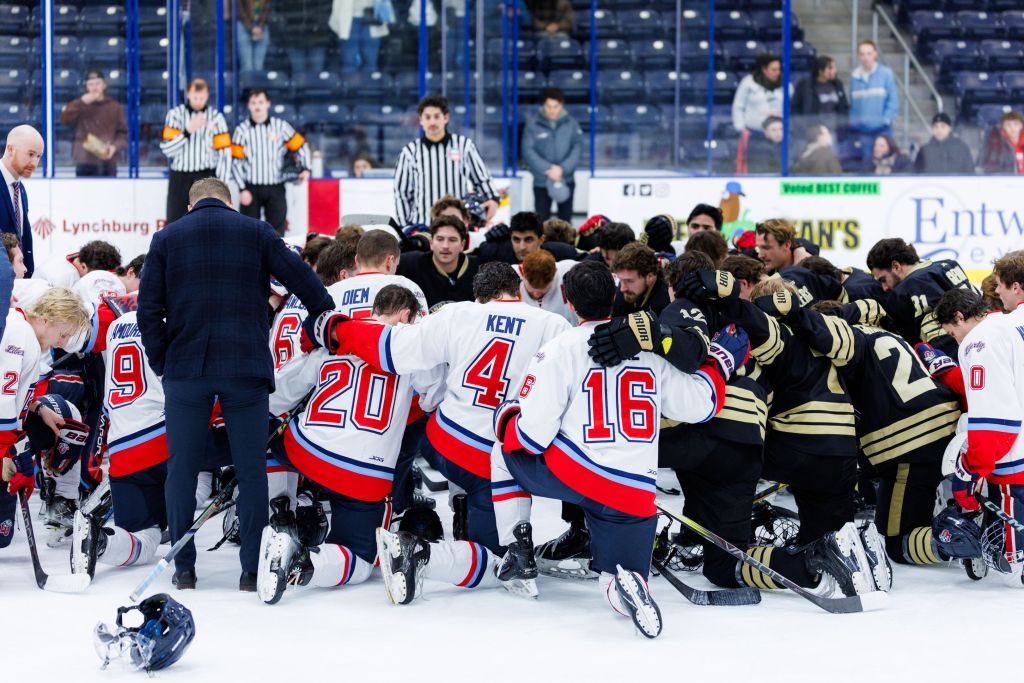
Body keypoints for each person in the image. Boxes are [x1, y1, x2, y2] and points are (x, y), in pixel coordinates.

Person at [487, 260, 740, 637]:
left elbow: (533, 435)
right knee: (616, 573)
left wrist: (506, 417)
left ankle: (517, 549)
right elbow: (699, 405)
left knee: (502, 455)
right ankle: (627, 584)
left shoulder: (559, 348)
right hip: (635, 491)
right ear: (616, 296)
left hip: (576, 476)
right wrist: (721, 360)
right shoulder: (649, 353)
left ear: (568, 302)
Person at [136, 178, 335, 592]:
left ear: (191, 206)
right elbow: (308, 284)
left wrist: (162, 361)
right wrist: (322, 317)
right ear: (229, 201)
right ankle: (250, 571)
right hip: (245, 366)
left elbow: (147, 309)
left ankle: (184, 569)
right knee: (250, 470)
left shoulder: (166, 238)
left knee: (182, 470)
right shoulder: (257, 231)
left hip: (186, 368)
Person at [320, 262, 571, 561]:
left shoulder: (457, 313)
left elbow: (398, 352)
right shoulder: (554, 325)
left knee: (436, 416)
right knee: (493, 558)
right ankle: (457, 539)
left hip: (447, 444)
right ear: (517, 290)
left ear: (478, 295)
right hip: (509, 454)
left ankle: (449, 506)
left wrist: (339, 330)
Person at [932, 284, 1024, 586]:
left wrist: (971, 470)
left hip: (1015, 460)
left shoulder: (979, 341)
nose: (956, 339)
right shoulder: (1012, 321)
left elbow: (994, 419)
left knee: (1014, 561)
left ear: (960, 317)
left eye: (952, 331)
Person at [0, 288, 91, 552]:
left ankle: (61, 500)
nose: (62, 342)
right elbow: (3, 400)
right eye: (62, 334)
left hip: (6, 432)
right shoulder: (19, 333)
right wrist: (13, 455)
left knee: (66, 416)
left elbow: (13, 395)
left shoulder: (26, 333)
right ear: (48, 318)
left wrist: (37, 407)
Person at [394, 96, 498, 227]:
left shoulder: (464, 146)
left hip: (458, 227)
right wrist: (405, 227)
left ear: (446, 118)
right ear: (420, 120)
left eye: (437, 116)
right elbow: (402, 194)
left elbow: (482, 179)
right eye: (427, 117)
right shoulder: (409, 152)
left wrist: (493, 199)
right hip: (423, 228)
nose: (432, 122)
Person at [866, 237, 977, 355]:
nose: (884, 287)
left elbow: (912, 346)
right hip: (985, 339)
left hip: (952, 359)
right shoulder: (949, 264)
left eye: (883, 279)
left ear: (896, 266)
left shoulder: (901, 293)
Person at [231, 89, 311, 236]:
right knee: (247, 232)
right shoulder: (241, 130)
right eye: (253, 102)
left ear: (268, 104)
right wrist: (242, 189)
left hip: (276, 187)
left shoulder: (281, 126)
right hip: (250, 188)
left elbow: (301, 146)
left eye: (260, 102)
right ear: (249, 105)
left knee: (277, 234)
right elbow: (236, 162)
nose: (257, 106)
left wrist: (306, 167)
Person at [160, 79, 233, 224]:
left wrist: (222, 183)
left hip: (206, 176)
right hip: (180, 177)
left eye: (201, 97)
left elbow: (225, 153)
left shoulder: (216, 118)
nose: (198, 101)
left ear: (207, 96)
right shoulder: (175, 115)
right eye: (195, 97)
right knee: (175, 220)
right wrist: (187, 131)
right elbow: (168, 150)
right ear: (188, 94)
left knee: (209, 220)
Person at [522, 87, 581, 222]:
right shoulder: (532, 124)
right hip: (541, 181)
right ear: (543, 105)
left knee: (566, 223)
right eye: (548, 106)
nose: (552, 110)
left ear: (561, 105)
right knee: (541, 223)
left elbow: (577, 148)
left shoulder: (572, 124)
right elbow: (527, 151)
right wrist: (548, 169)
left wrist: (562, 169)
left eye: (555, 106)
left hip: (566, 179)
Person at [397, 216, 479, 308]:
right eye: (440, 239)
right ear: (431, 243)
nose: (445, 246)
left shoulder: (478, 268)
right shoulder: (411, 263)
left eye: (452, 240)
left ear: (462, 245)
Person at [58, 71, 128, 177]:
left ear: (104, 85)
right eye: (90, 84)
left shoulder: (114, 106)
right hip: (84, 161)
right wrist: (80, 102)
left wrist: (114, 146)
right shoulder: (80, 105)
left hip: (107, 161)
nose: (94, 87)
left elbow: (123, 133)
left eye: (97, 83)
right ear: (86, 87)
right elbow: (64, 120)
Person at [0, 124, 40, 282]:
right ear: (11, 149)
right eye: (30, 154)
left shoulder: (19, 188)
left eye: (38, 156)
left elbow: (22, 236)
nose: (35, 162)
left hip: (18, 282)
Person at [849, 40, 899, 162]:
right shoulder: (854, 77)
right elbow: (853, 105)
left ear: (875, 54)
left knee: (886, 163)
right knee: (867, 165)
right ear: (858, 56)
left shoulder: (886, 74)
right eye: (862, 54)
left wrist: (885, 120)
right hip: (863, 132)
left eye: (869, 53)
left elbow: (893, 101)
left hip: (883, 130)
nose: (865, 57)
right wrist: (854, 124)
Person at [330, 0, 392, 74]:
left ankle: (370, 83)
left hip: (371, 18)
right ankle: (349, 83)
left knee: (370, 61)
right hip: (348, 20)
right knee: (349, 62)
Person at [792, 55, 849, 133]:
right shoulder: (805, 86)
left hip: (835, 131)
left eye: (834, 68)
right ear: (820, 71)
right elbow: (795, 108)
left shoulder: (838, 84)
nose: (834, 71)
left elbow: (844, 107)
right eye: (830, 68)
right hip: (813, 131)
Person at [732, 54, 786, 135]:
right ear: (764, 69)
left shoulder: (786, 84)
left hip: (780, 135)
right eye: (774, 70)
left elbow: (792, 108)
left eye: (779, 69)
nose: (777, 73)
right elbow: (738, 106)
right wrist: (741, 128)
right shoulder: (748, 82)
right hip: (753, 134)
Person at [611, 243, 670, 317]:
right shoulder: (626, 290)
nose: (622, 288)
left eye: (629, 281)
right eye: (620, 280)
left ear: (650, 277)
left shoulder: (667, 302)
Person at [517, 249, 575, 325]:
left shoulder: (570, 270)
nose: (536, 294)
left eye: (543, 288)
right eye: (532, 287)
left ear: (555, 273)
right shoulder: (510, 277)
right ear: (522, 273)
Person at [279, 0, 332, 75]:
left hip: (317, 38)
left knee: (316, 75)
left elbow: (327, 9)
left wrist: (319, 26)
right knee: (299, 75)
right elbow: (282, 10)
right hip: (294, 38)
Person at [979, 110, 1024, 175]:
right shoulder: (996, 145)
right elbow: (990, 169)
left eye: (1016, 124)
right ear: (1003, 127)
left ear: (1021, 126)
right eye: (1008, 125)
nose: (1012, 128)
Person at [236, 0, 272, 72]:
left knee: (259, 67)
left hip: (262, 27)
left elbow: (267, 10)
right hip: (244, 26)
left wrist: (260, 27)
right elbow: (239, 10)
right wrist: (251, 28)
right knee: (247, 66)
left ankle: (257, 82)